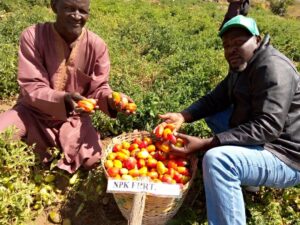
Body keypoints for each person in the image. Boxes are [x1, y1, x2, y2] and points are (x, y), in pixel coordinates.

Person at [158, 15, 300, 225]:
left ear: (257, 40)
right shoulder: (242, 66)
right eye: (226, 45)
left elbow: (268, 127)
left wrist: (207, 144)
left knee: (218, 160)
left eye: (238, 42)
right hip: (263, 139)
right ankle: (248, 177)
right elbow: (215, 99)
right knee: (215, 113)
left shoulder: (273, 69)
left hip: (286, 155)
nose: (231, 49)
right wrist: (182, 116)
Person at [0, 0, 135, 174]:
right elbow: (31, 85)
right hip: (31, 113)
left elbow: (99, 87)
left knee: (93, 161)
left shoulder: (97, 45)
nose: (77, 16)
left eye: (82, 11)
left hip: (74, 119)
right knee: (3, 133)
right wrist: (63, 99)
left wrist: (111, 99)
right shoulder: (33, 36)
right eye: (69, 9)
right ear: (54, 6)